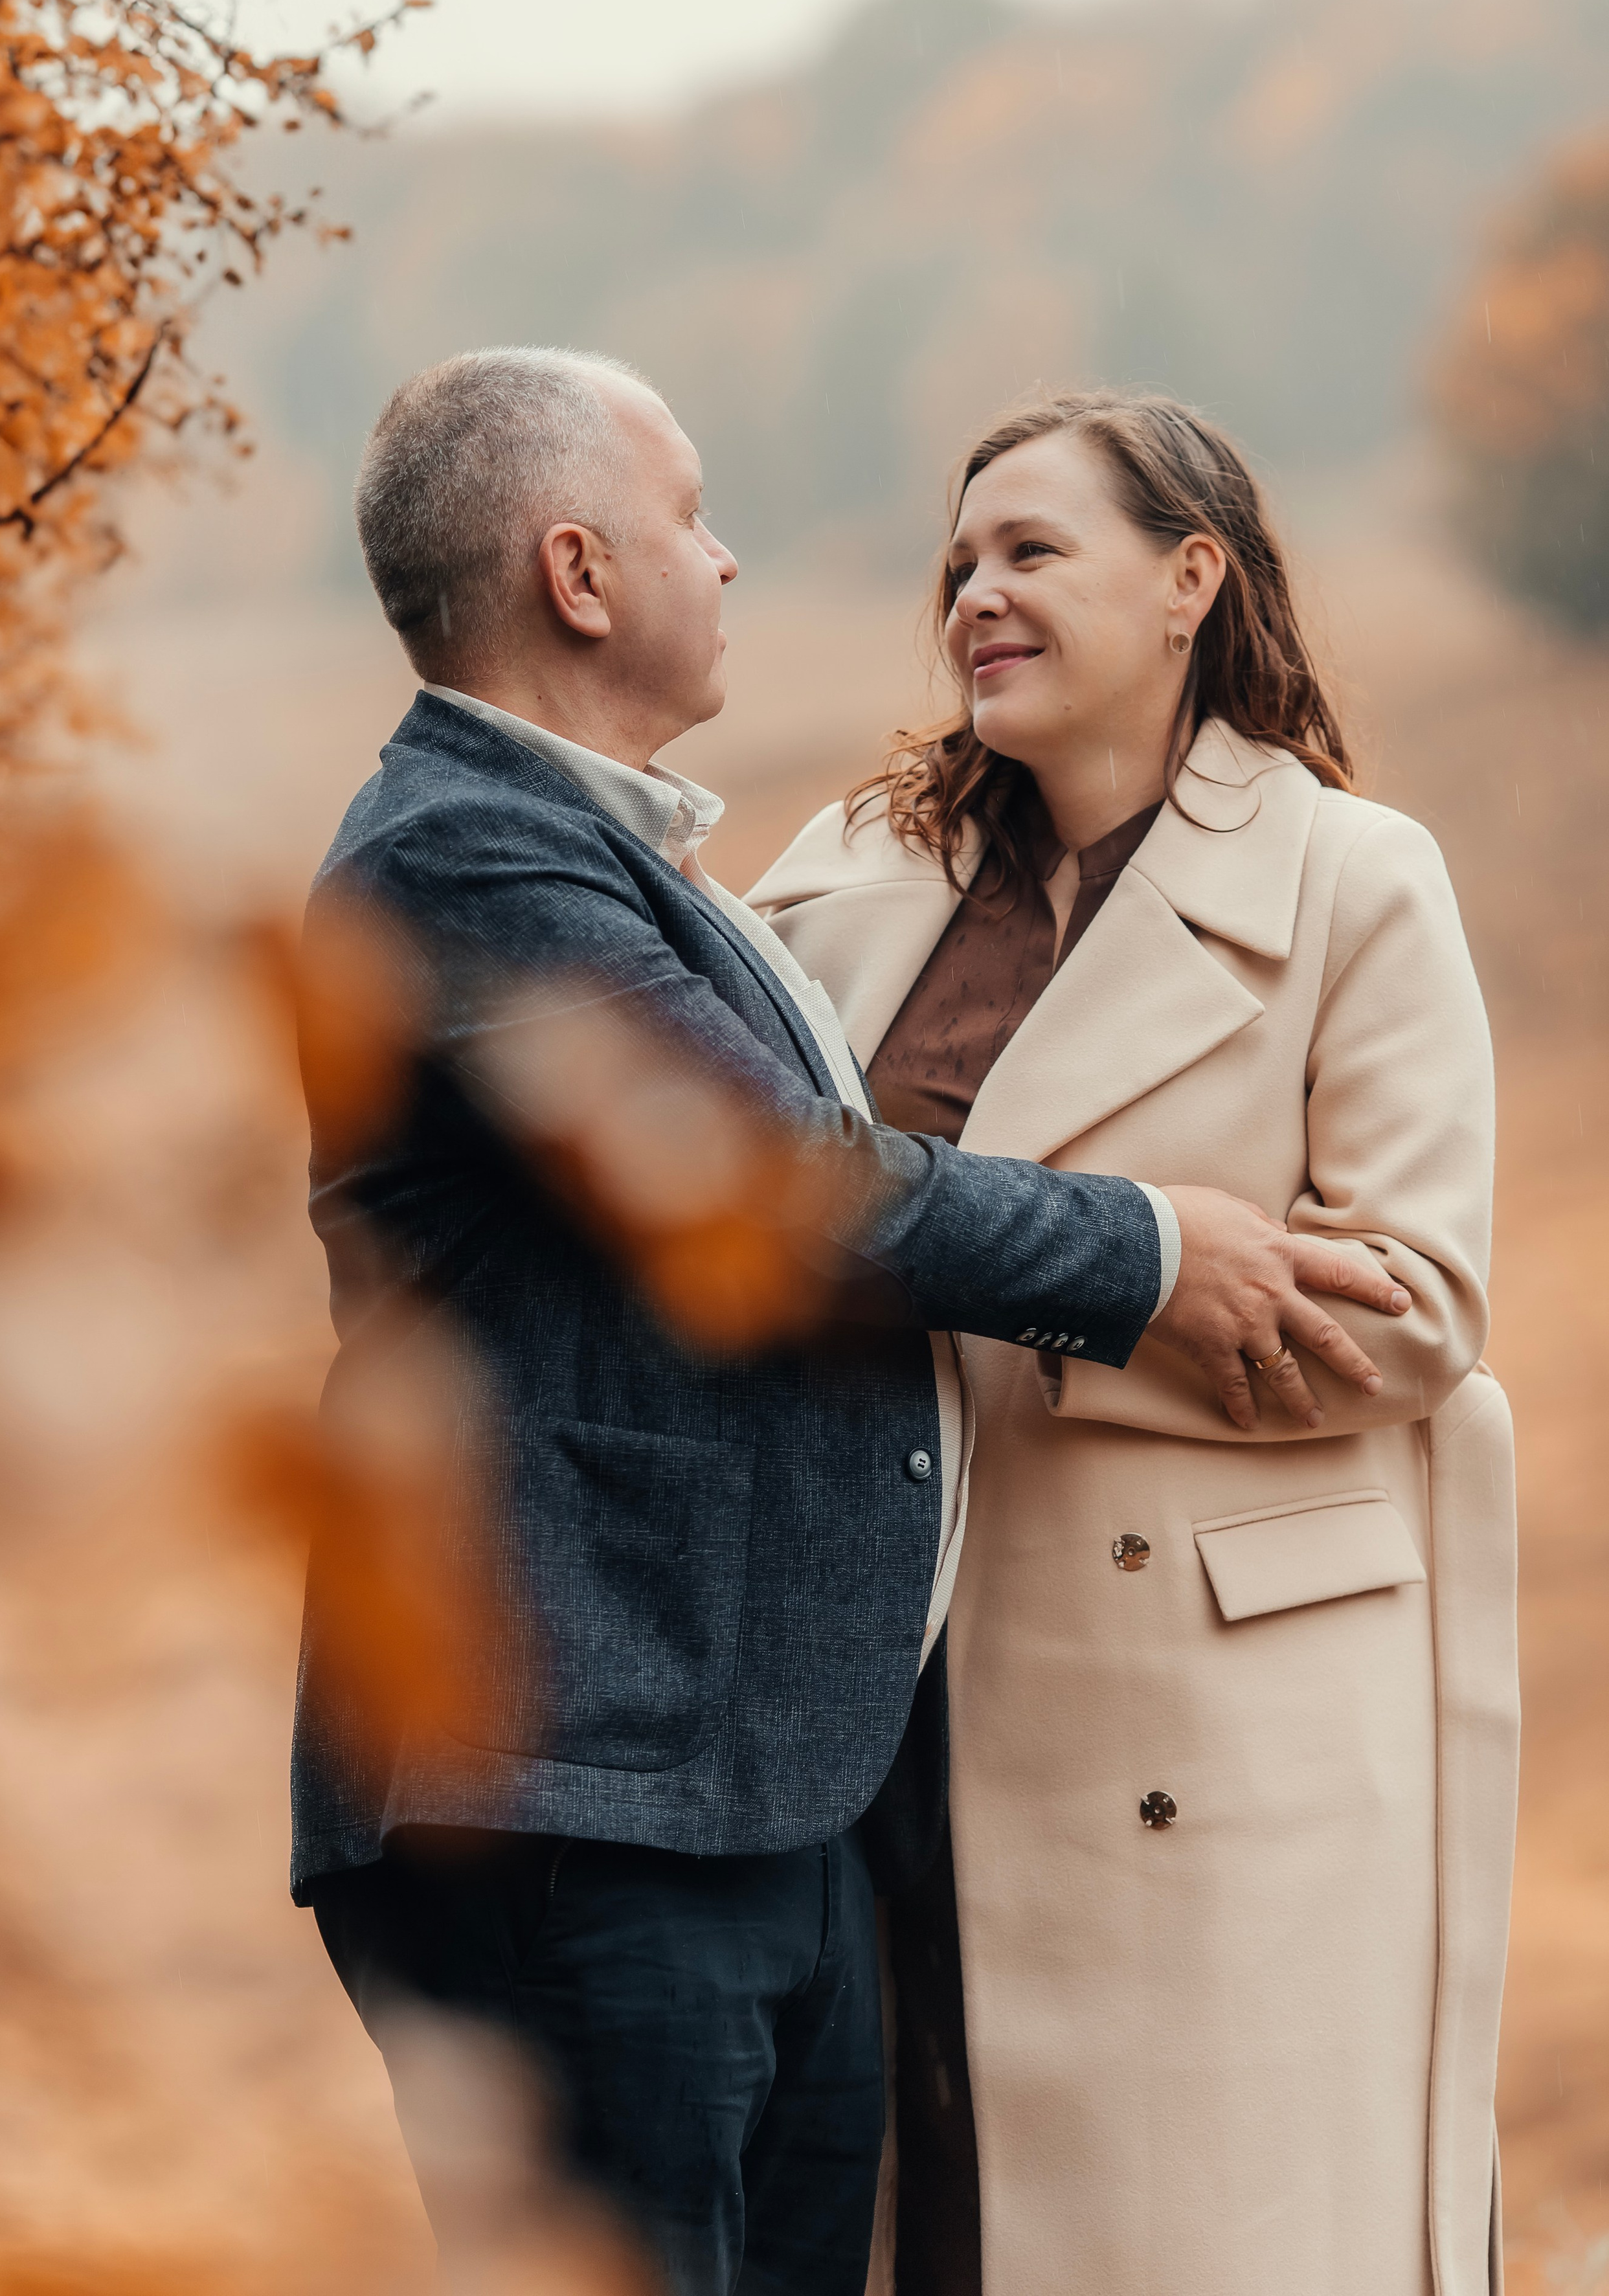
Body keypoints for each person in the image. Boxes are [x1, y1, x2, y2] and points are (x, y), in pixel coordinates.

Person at [293, 351, 1410, 2296]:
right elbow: (780, 1189)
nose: (728, 562)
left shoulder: (638, 861)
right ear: (578, 571)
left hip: (744, 1796)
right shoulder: (463, 856)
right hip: (573, 1790)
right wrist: (1154, 1253)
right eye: (693, 517)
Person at [748, 389, 1520, 2296]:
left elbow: (1411, 1307)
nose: (974, 599)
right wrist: (1120, 1264)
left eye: (1030, 553)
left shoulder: (1358, 877)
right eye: (960, 563)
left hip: (1225, 1713)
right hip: (889, 1689)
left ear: (1192, 582)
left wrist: (1065, 1295)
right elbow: (737, 1194)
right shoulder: (850, 874)